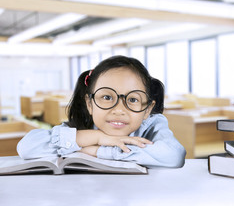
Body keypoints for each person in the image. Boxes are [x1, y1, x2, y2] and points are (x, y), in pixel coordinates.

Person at [17, 55, 186, 168]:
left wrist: (97, 151)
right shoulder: (79, 126)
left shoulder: (152, 124)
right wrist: (99, 138)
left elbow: (174, 156)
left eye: (133, 99)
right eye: (106, 97)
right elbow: (27, 147)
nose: (119, 110)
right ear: (90, 104)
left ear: (147, 109)